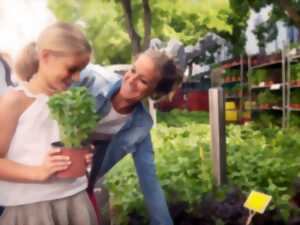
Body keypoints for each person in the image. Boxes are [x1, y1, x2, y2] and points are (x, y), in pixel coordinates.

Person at [0, 22, 98, 225]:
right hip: (30, 209)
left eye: (81, 70)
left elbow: (69, 144)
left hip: (75, 200)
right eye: (72, 68)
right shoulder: (15, 100)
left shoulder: (72, 101)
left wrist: (83, 155)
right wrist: (37, 172)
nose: (78, 77)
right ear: (45, 57)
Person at [78, 49, 183, 225]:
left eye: (143, 80)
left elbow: (149, 181)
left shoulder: (140, 126)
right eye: (133, 70)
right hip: (43, 165)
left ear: (154, 93)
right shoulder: (91, 79)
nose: (131, 80)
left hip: (82, 184)